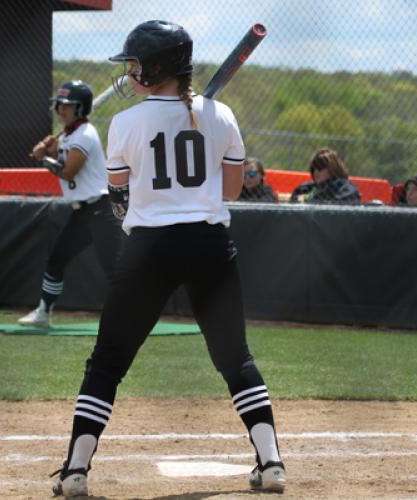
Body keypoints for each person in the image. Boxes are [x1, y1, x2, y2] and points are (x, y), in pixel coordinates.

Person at [50, 20, 286, 498]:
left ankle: (75, 473)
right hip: (209, 243)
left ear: (157, 67)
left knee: (108, 362)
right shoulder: (222, 114)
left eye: (136, 63)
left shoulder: (124, 122)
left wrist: (136, 203)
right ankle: (272, 462)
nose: (131, 71)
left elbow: (117, 196)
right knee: (235, 358)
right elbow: (232, 190)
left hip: (149, 247)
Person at [18, 80, 122, 327]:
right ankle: (43, 313)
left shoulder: (85, 135)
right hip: (83, 211)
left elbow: (68, 172)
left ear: (80, 108)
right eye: (59, 105)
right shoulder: (68, 135)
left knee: (114, 268)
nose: (61, 110)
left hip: (101, 209)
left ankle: (131, 315)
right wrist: (49, 151)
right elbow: (55, 157)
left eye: (67, 106)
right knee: (57, 259)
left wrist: (45, 159)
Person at [290, 148, 361, 204]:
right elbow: (294, 199)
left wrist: (308, 200)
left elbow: (342, 204)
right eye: (314, 167)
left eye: (320, 166)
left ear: (333, 168)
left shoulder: (344, 186)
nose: (316, 171)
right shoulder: (308, 188)